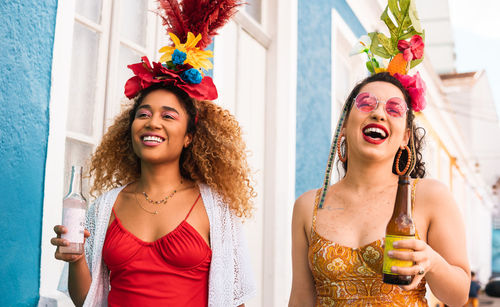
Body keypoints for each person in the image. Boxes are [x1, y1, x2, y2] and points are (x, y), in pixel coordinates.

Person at [51, 1, 256, 306]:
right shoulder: (106, 206)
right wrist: (76, 258)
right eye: (143, 113)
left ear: (189, 137)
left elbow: (235, 299)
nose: (153, 122)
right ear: (130, 126)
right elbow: (87, 300)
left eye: (168, 116)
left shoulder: (215, 208)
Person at [289, 71, 471, 306]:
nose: (378, 113)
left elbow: (459, 296)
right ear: (344, 124)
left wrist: (432, 262)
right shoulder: (307, 206)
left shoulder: (430, 197)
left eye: (394, 109)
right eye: (366, 103)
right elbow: (301, 298)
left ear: (405, 136)